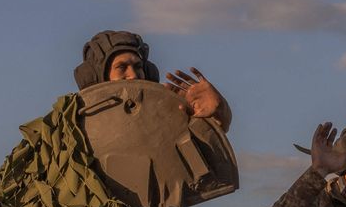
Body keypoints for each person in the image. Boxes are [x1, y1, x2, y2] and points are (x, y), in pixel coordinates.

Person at [73, 29, 232, 131]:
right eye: (122, 67)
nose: (133, 75)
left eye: (138, 66)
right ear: (98, 77)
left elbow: (209, 155)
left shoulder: (165, 120)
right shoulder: (75, 127)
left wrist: (220, 113)